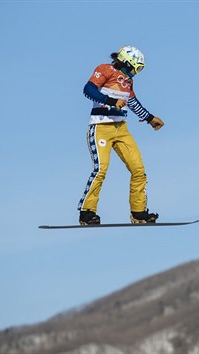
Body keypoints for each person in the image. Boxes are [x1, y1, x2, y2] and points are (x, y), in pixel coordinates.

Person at [77, 45, 164, 225]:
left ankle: (138, 213)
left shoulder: (128, 81)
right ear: (127, 63)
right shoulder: (105, 70)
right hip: (101, 127)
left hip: (121, 129)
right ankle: (87, 212)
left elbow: (132, 102)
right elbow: (88, 90)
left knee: (138, 170)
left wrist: (149, 118)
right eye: (137, 68)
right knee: (101, 170)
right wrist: (110, 101)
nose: (137, 72)